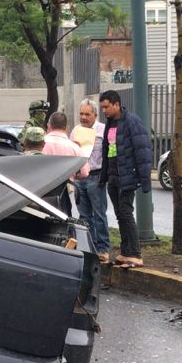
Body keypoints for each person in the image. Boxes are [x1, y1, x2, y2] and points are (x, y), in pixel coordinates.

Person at [97, 90, 153, 268]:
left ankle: (135, 254)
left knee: (126, 214)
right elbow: (107, 152)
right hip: (113, 176)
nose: (104, 110)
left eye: (106, 107)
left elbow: (142, 150)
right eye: (102, 107)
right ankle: (125, 252)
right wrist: (103, 177)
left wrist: (144, 180)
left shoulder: (132, 121)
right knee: (120, 215)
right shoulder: (110, 124)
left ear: (116, 104)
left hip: (127, 176)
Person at [70, 99, 111, 263]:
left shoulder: (102, 130)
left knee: (99, 214)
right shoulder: (76, 131)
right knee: (84, 215)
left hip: (96, 175)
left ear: (95, 114)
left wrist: (105, 175)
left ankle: (103, 248)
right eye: (81, 113)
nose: (83, 117)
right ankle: (90, 247)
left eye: (87, 114)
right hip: (80, 177)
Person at [42, 111, 85, 214]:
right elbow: (84, 173)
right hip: (63, 192)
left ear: (49, 125)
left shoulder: (41, 143)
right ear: (66, 128)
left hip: (41, 191)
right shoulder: (74, 147)